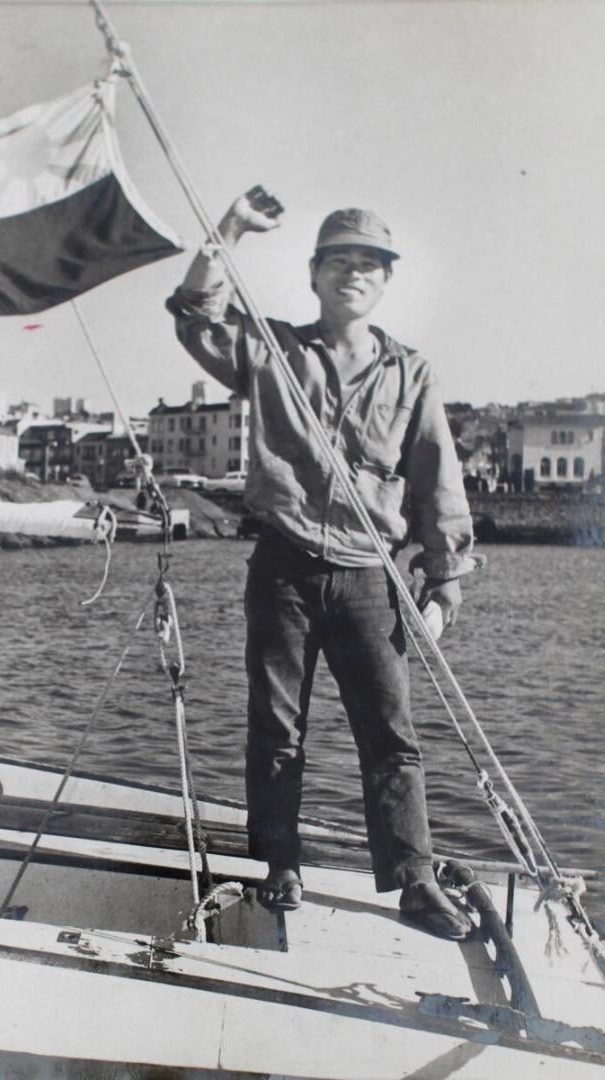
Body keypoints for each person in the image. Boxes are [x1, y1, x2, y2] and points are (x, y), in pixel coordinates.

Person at [166, 187, 480, 940]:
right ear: (313, 276)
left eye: (370, 264)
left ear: (385, 281)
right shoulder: (273, 352)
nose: (354, 274)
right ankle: (280, 864)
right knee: (276, 729)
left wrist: (446, 582)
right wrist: (232, 228)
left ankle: (412, 879)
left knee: (391, 733)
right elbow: (196, 318)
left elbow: (438, 475)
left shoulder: (412, 372)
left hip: (372, 576)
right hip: (283, 567)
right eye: (340, 262)